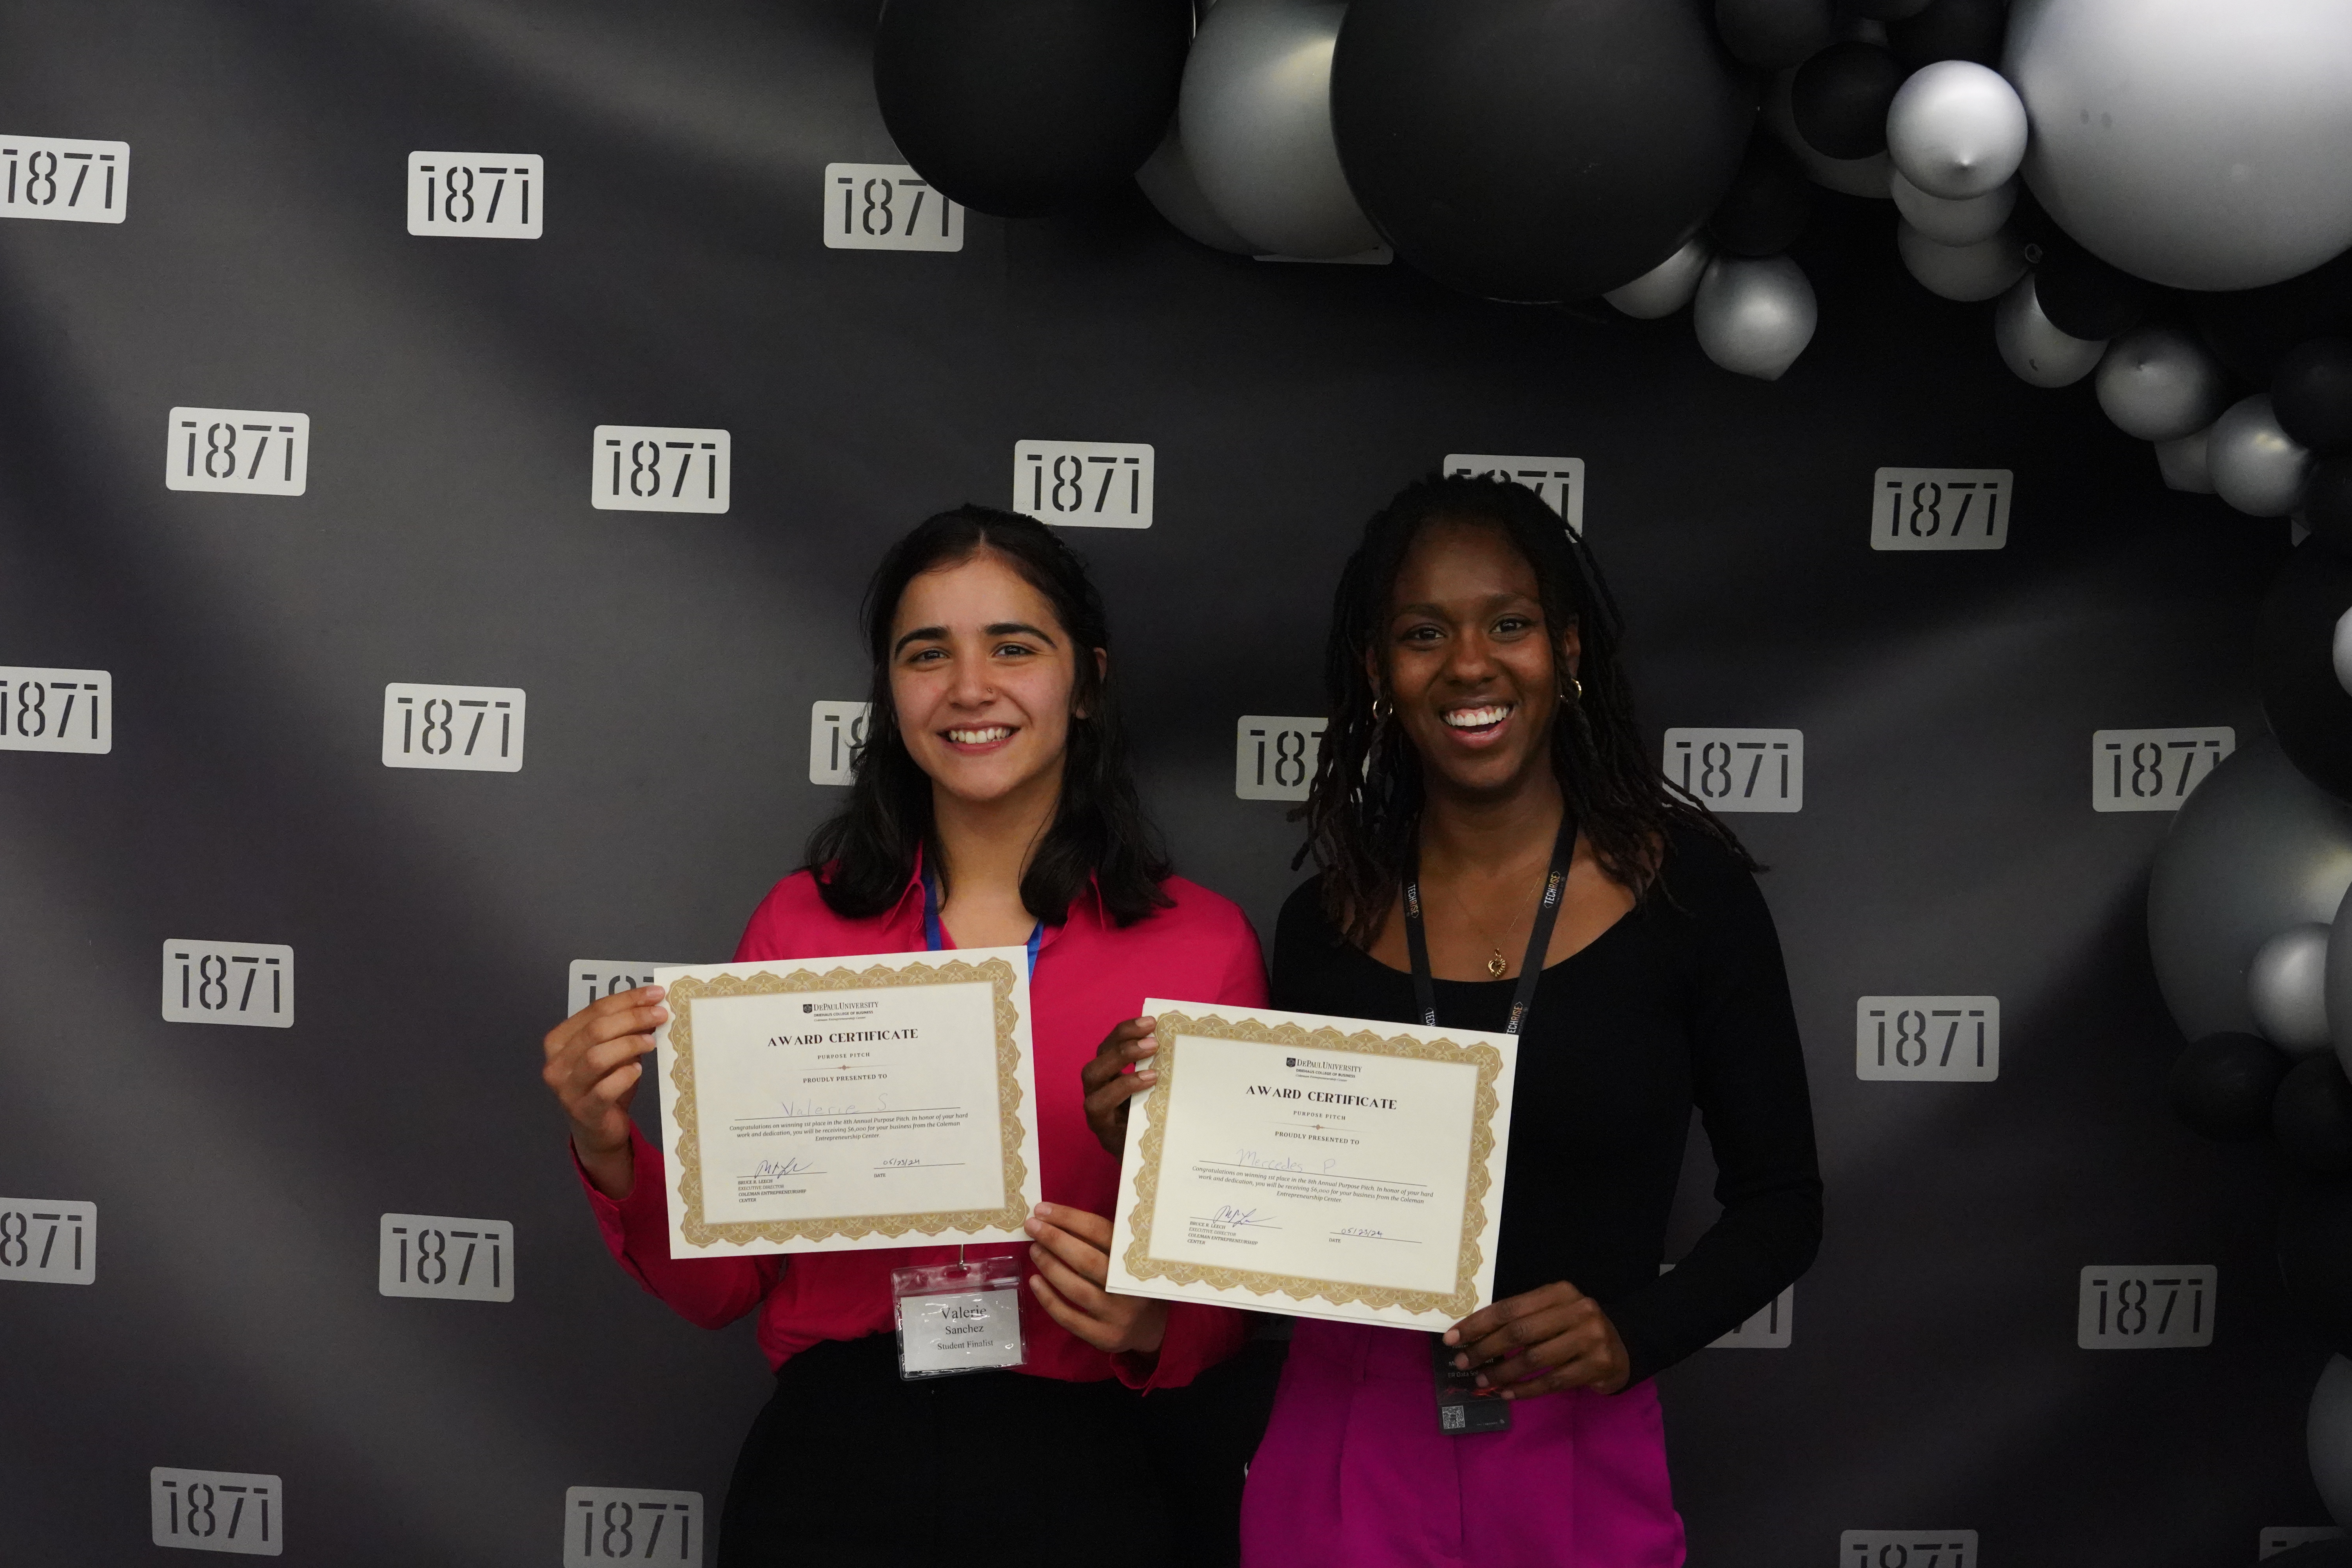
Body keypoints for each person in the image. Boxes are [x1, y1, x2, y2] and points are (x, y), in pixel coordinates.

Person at [540, 505, 1274, 1568]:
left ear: (1091, 676)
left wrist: (1153, 1324)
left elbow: (1231, 1311)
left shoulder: (1200, 945)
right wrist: (608, 1146)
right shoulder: (799, 927)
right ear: (892, 691)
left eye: (1014, 647)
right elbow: (721, 1292)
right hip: (834, 1470)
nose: (969, 688)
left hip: (1081, 1476)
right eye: (928, 654)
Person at [1237, 474, 1822, 1566]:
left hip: (1577, 1444)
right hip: (1346, 1447)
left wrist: (1629, 1333)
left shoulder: (1690, 894)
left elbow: (1783, 1205)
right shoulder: (1321, 923)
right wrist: (1150, 1138)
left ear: (1569, 648)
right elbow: (1278, 1209)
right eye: (1423, 633)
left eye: (1508, 624)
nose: (1469, 665)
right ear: (1377, 672)